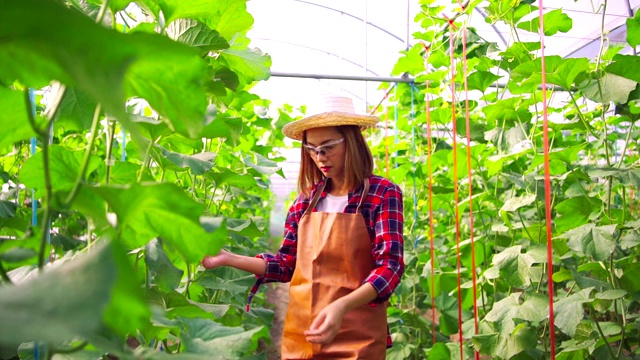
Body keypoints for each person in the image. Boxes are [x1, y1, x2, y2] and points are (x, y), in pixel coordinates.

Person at [202, 94, 405, 359]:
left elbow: (390, 268)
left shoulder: (381, 193)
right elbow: (287, 264)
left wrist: (342, 306)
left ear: (352, 141)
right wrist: (230, 259)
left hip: (359, 336)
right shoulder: (305, 202)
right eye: (312, 149)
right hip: (303, 334)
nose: (319, 157)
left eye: (328, 147)